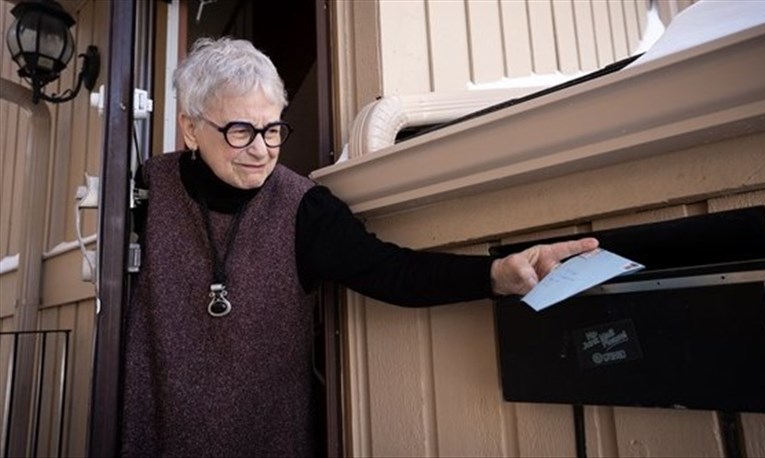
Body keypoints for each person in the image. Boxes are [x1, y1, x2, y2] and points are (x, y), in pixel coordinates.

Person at [121, 37, 598, 457]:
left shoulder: (305, 209)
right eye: (240, 131)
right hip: (154, 433)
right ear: (191, 129)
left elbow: (393, 272)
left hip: (265, 440)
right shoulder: (149, 187)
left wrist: (495, 275)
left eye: (272, 130)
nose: (262, 149)